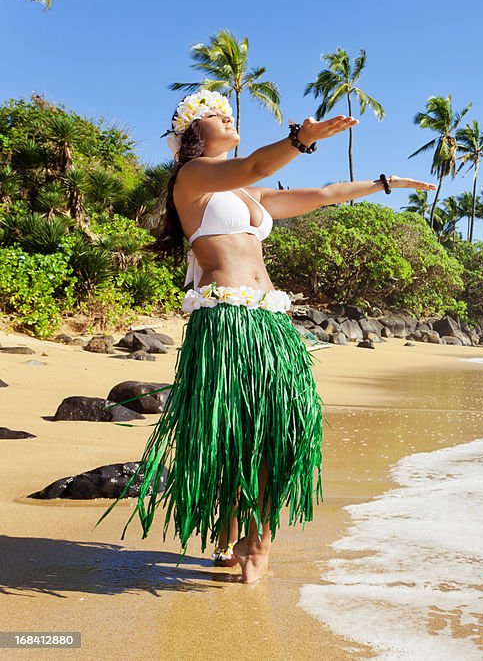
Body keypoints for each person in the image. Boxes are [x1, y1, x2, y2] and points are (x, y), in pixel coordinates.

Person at [98, 90, 436, 584]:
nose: (228, 115)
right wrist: (301, 138)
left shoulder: (246, 194)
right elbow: (256, 163)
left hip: (271, 324)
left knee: (279, 429)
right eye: (216, 113)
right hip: (226, 324)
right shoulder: (194, 178)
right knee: (233, 433)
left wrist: (384, 183)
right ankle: (238, 533)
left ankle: (253, 537)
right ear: (193, 133)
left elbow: (321, 196)